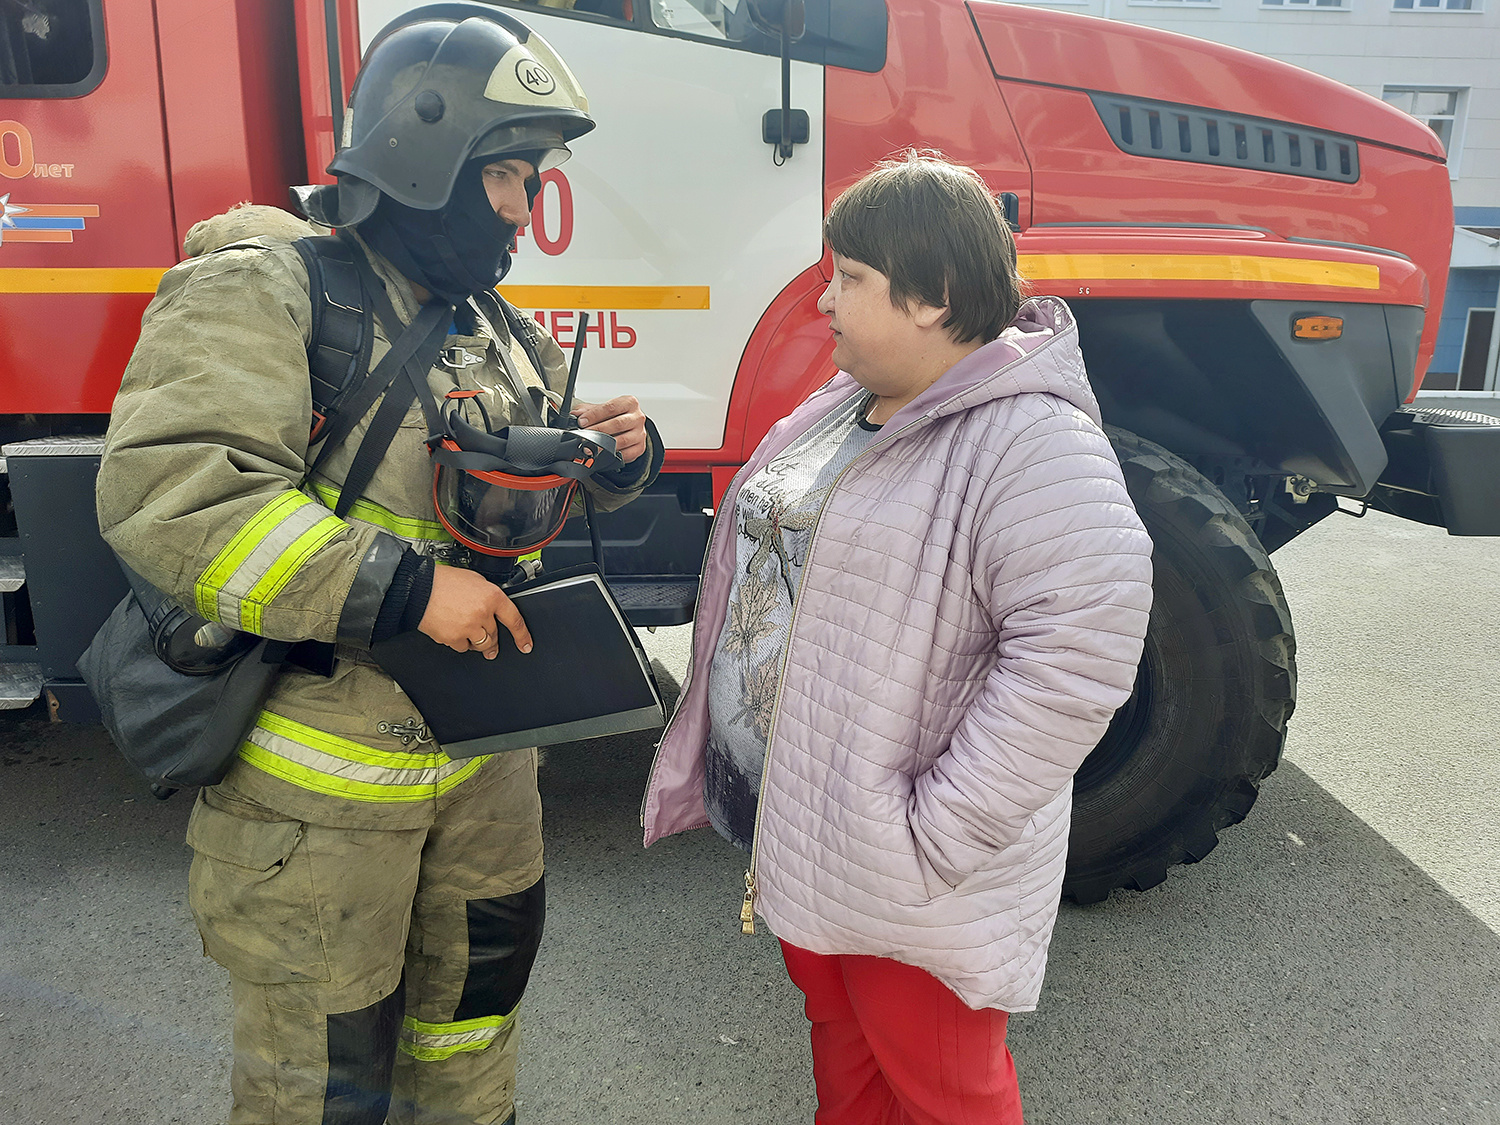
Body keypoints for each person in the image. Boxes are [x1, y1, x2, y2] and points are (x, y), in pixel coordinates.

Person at [95, 6, 660, 1124]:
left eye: (532, 179)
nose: (523, 208)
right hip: (320, 803)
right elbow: (176, 494)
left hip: (488, 781)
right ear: (423, 150)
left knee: (469, 1047)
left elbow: (503, 471)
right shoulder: (268, 284)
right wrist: (409, 592)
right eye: (508, 176)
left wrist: (604, 455)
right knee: (323, 1093)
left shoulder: (483, 318)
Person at [641, 152, 1153, 1124]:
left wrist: (934, 835)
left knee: (944, 1091)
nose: (825, 301)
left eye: (851, 279)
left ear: (934, 296)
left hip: (904, 872)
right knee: (847, 1060)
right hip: (813, 842)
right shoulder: (846, 408)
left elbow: (1077, 655)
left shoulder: (1031, 442)